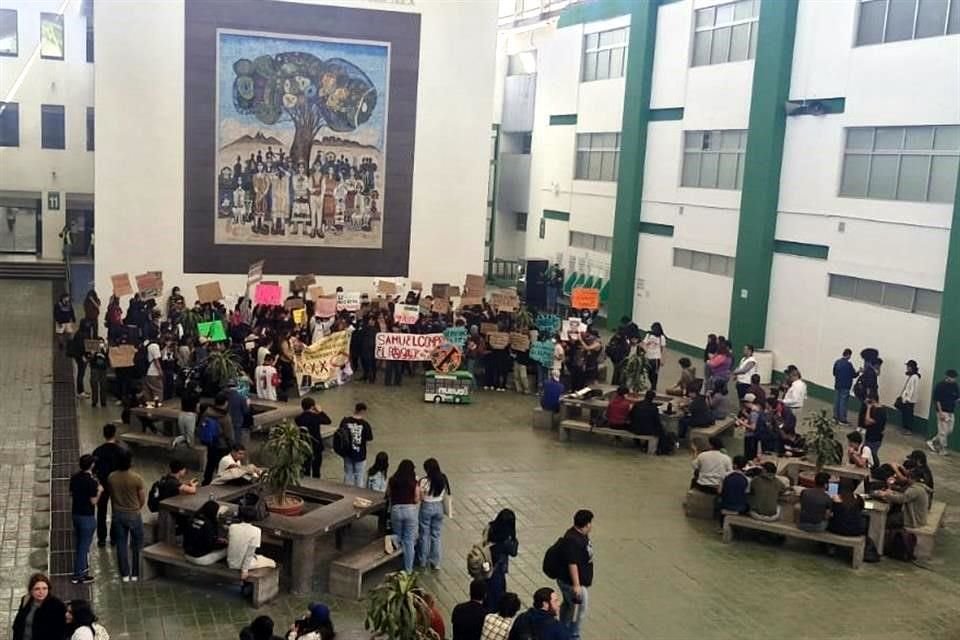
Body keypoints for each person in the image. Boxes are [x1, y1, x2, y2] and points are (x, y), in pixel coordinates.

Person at [107, 449, 145, 582]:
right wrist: (137, 508)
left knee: (121, 544)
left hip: (118, 513)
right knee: (137, 544)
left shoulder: (111, 477)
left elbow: (111, 495)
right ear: (130, 462)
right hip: (133, 513)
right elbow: (142, 498)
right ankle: (136, 573)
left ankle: (124, 574)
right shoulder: (136, 478)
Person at [555, 510, 593, 640]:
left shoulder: (577, 534)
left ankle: (562, 629)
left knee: (568, 605)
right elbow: (572, 563)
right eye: (590, 523)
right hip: (572, 583)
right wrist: (576, 585)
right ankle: (573, 635)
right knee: (579, 610)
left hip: (571, 581)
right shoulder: (573, 540)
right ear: (586, 524)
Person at [69, 454, 102, 584]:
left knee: (79, 544)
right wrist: (99, 491)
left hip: (76, 514)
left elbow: (71, 493)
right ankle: (78, 576)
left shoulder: (75, 478)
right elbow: (93, 501)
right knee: (83, 547)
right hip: (87, 517)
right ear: (92, 465)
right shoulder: (92, 482)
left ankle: (81, 571)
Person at [92, 423, 126, 547]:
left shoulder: (98, 451)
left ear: (104, 434)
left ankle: (101, 539)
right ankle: (114, 538)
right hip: (117, 485)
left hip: (103, 485)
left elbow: (93, 469)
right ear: (115, 434)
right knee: (116, 511)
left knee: (101, 512)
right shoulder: (121, 451)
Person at [385, 459, 420, 573]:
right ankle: (408, 569)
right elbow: (416, 499)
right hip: (410, 511)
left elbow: (388, 494)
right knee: (409, 540)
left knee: (399, 535)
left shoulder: (392, 480)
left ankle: (391, 538)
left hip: (396, 510)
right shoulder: (414, 482)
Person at [227, 506, 277, 582]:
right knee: (272, 563)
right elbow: (249, 553)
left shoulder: (232, 527)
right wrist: (245, 570)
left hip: (231, 561)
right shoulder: (257, 531)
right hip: (241, 564)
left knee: (258, 557)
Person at [418, 458, 450, 570]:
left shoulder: (424, 481)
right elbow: (447, 493)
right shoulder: (443, 478)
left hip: (426, 507)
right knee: (436, 535)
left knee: (424, 534)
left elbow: (421, 497)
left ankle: (422, 560)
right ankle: (435, 562)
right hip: (439, 507)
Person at [11, 573, 66, 640]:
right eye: (37, 589)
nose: (41, 592)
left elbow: (60, 633)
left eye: (45, 588)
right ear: (31, 590)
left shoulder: (57, 606)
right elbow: (17, 624)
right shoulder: (26, 600)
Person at [485, 508, 519, 612]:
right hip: (497, 569)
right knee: (497, 596)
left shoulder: (489, 527)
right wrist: (514, 538)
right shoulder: (506, 539)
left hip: (486, 564)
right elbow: (513, 552)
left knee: (487, 594)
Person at [201, 392, 235, 486]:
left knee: (210, 463)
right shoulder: (225, 417)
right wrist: (232, 446)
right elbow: (229, 434)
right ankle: (222, 484)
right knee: (222, 466)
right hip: (222, 445)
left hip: (210, 443)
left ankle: (206, 482)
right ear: (225, 403)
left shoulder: (207, 411)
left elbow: (201, 425)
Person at [338, 402, 374, 487]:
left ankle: (346, 492)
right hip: (360, 454)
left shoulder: (345, 421)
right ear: (363, 411)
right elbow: (369, 438)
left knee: (348, 474)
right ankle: (358, 494)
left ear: (355, 409)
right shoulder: (365, 424)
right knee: (359, 476)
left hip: (347, 452)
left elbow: (339, 435)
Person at [184, 499, 228, 565]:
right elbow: (209, 545)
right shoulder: (208, 525)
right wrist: (222, 544)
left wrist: (216, 539)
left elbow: (197, 535)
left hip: (187, 553)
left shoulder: (192, 518)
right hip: (199, 558)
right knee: (228, 549)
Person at [296, 397, 331, 479]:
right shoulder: (316, 417)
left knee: (305, 468)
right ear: (312, 407)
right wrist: (320, 411)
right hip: (316, 445)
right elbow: (328, 421)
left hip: (304, 445)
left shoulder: (298, 418)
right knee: (316, 469)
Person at [928, 368, 958, 455]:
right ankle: (942, 449)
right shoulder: (940, 386)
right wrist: (940, 412)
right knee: (943, 431)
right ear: (947, 377)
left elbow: (956, 397)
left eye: (955, 378)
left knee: (949, 430)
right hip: (942, 411)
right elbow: (937, 400)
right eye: (952, 377)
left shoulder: (955, 385)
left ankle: (933, 441)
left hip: (951, 411)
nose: (954, 379)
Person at [719, 455, 749, 521]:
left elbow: (719, 491)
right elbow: (746, 494)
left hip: (725, 505)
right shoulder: (747, 479)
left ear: (734, 465)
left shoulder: (725, 475)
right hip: (740, 508)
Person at [832, 348, 856, 424]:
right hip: (845, 386)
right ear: (848, 355)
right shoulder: (849, 365)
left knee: (837, 401)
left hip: (837, 385)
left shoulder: (837, 362)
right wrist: (859, 372)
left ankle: (835, 417)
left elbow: (834, 373)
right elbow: (853, 375)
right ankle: (842, 419)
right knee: (843, 403)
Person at [897, 360, 921, 434]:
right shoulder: (911, 376)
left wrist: (908, 399)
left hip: (909, 400)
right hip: (906, 399)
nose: (907, 368)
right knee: (905, 415)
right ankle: (905, 428)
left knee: (908, 415)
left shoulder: (915, 377)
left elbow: (913, 389)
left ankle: (908, 430)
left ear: (911, 367)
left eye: (908, 366)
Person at [641, 322, 666, 390]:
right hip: (648, 356)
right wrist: (644, 349)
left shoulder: (661, 337)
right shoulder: (648, 335)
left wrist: (662, 359)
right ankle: (652, 384)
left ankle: (653, 386)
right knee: (648, 373)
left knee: (654, 373)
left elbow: (663, 349)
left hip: (656, 357)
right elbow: (644, 344)